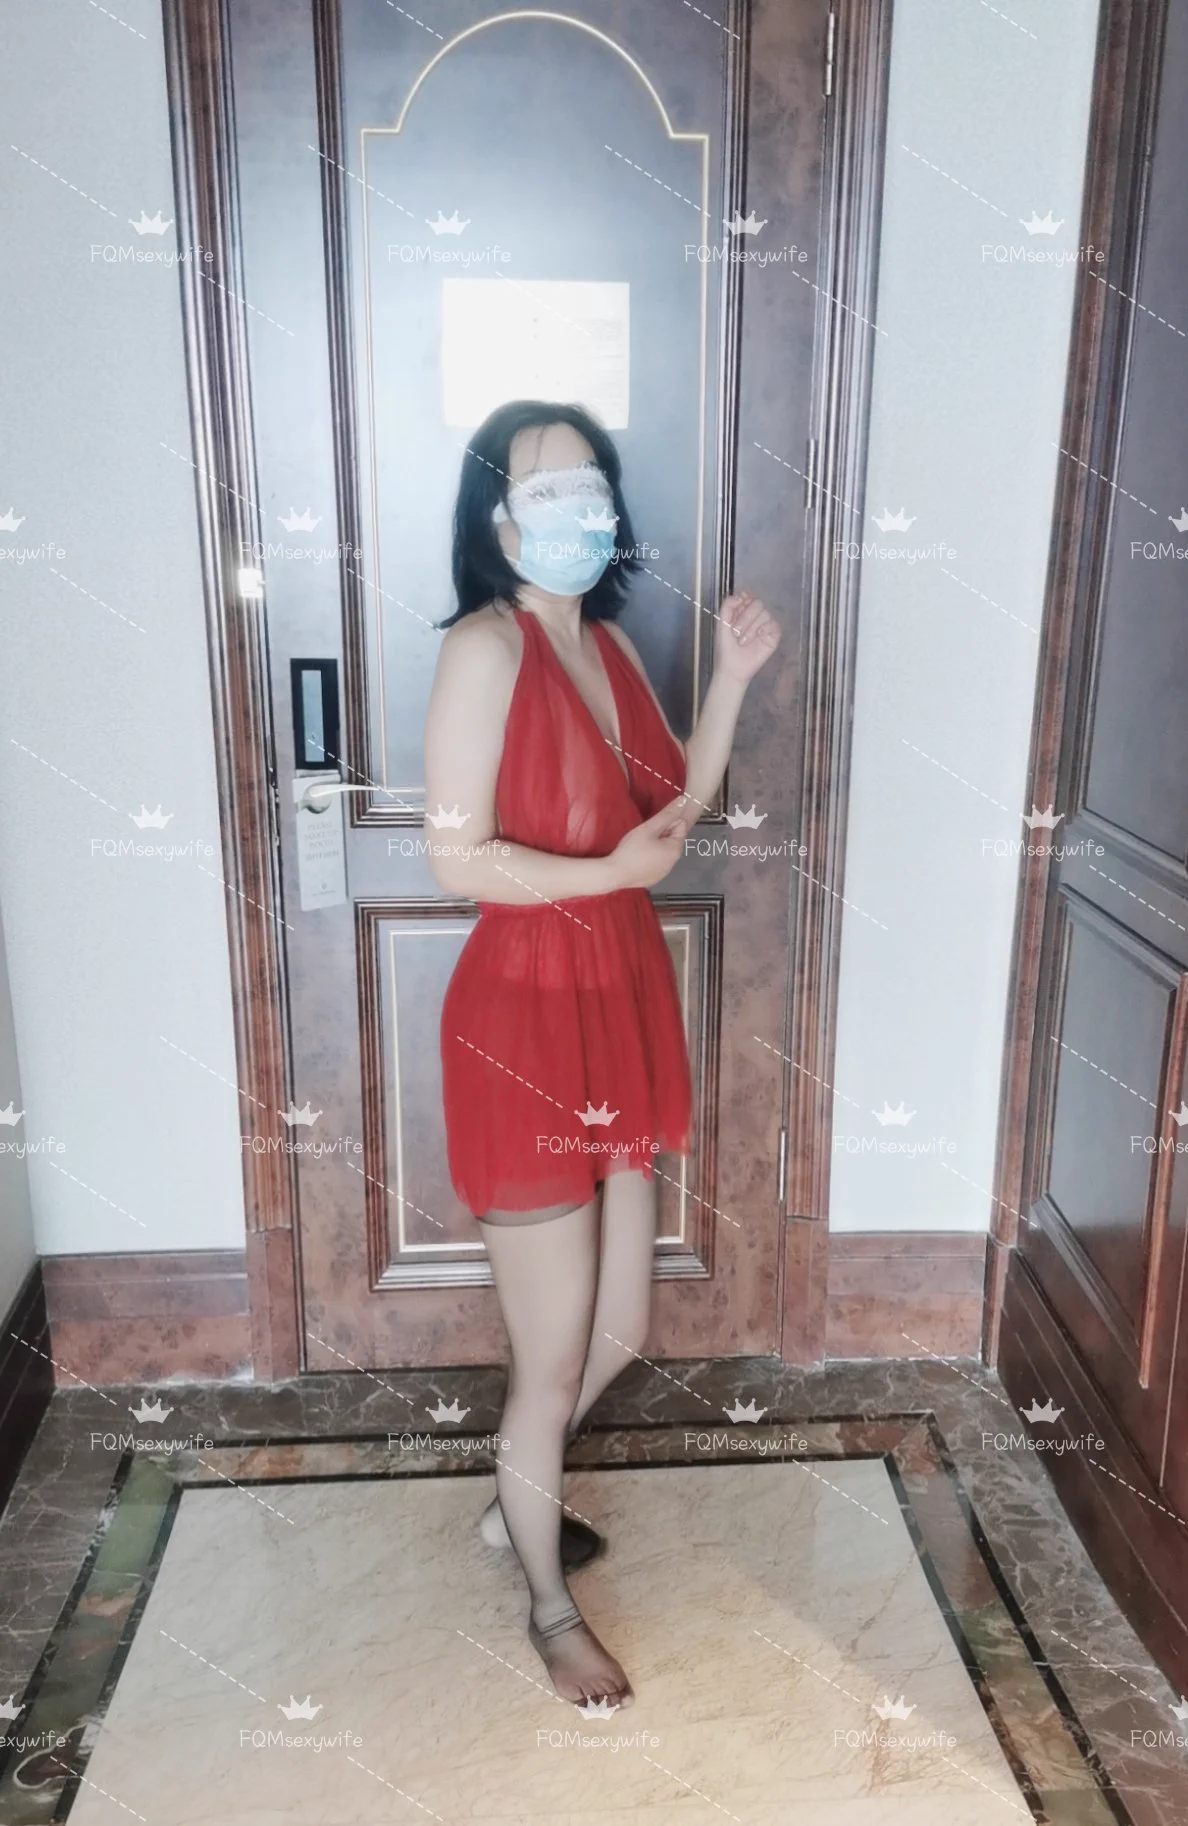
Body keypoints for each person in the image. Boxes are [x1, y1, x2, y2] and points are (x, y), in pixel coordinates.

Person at [424, 399, 779, 1709]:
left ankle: (510, 1494)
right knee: (555, 1359)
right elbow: (454, 855)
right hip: (525, 1018)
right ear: (497, 518)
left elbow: (672, 809)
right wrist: (608, 873)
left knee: (624, 1323)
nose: (576, 506)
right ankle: (548, 1605)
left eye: (590, 483)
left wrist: (730, 681)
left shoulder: (613, 644)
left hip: (618, 998)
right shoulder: (484, 647)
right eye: (545, 487)